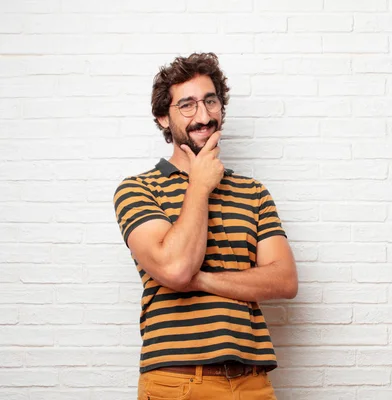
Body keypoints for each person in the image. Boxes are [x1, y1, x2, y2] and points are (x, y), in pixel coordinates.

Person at [112, 52, 298, 400]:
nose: (203, 115)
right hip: (177, 383)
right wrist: (199, 185)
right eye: (187, 105)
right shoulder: (137, 189)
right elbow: (177, 268)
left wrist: (203, 280)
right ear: (162, 119)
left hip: (253, 383)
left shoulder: (253, 191)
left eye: (210, 101)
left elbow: (284, 280)